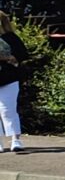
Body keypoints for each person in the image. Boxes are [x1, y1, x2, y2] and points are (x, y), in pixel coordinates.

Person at [0, 12, 25, 152]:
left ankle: (15, 140)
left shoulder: (11, 38)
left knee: (7, 110)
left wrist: (8, 57)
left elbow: (22, 55)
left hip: (8, 78)